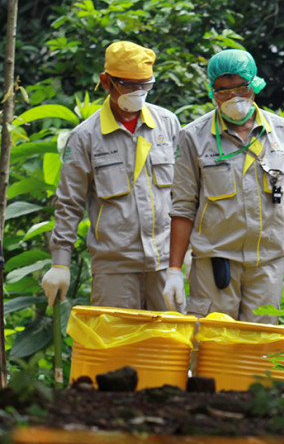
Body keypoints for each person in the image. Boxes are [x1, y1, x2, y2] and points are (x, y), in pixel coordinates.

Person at [164, 49, 284, 323]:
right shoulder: (193, 137)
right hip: (215, 264)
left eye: (241, 88)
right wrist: (174, 269)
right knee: (213, 348)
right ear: (211, 92)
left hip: (267, 265)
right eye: (223, 91)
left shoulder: (282, 132)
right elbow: (183, 207)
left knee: (259, 352)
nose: (233, 98)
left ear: (254, 85)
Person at [43, 41, 181, 311]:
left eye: (145, 85)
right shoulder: (85, 137)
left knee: (170, 348)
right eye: (129, 85)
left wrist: (185, 257)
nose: (138, 92)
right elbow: (69, 203)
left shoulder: (167, 124)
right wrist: (60, 262)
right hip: (114, 267)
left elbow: (185, 195)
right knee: (118, 347)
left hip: (164, 263)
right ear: (106, 82)